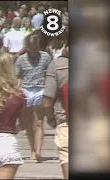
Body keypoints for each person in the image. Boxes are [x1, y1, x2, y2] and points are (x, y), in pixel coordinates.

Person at [14, 34, 52, 162]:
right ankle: (32, 149)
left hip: (41, 89)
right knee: (28, 123)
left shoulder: (46, 57)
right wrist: (17, 92)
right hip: (26, 90)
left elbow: (50, 75)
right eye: (31, 48)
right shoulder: (21, 59)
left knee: (39, 122)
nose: (34, 50)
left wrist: (50, 92)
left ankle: (38, 151)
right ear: (27, 47)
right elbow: (18, 77)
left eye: (36, 47)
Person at [42, 46, 69, 179]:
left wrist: (51, 119)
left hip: (66, 122)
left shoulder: (57, 65)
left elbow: (47, 100)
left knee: (67, 157)